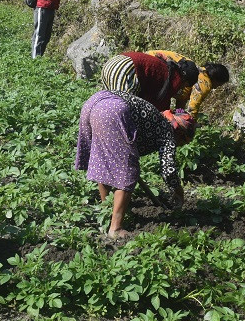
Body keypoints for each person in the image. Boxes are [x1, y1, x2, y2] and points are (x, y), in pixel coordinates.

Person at [75, 89, 194, 237]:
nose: (179, 145)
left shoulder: (157, 118)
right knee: (128, 171)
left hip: (93, 103)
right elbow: (168, 169)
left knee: (104, 160)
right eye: (182, 142)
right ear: (180, 133)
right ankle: (116, 228)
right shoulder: (168, 132)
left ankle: (106, 208)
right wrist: (178, 191)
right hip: (114, 111)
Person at [100, 51, 200, 112]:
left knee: (109, 105)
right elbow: (159, 106)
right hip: (126, 69)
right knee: (122, 113)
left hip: (112, 63)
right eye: (185, 86)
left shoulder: (168, 68)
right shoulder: (176, 79)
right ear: (185, 80)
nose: (182, 89)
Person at [146, 50, 229, 121]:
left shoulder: (196, 70)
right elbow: (193, 107)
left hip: (149, 57)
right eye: (218, 85)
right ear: (216, 79)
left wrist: (179, 115)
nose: (215, 88)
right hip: (154, 65)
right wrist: (190, 126)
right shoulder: (205, 82)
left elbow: (181, 100)